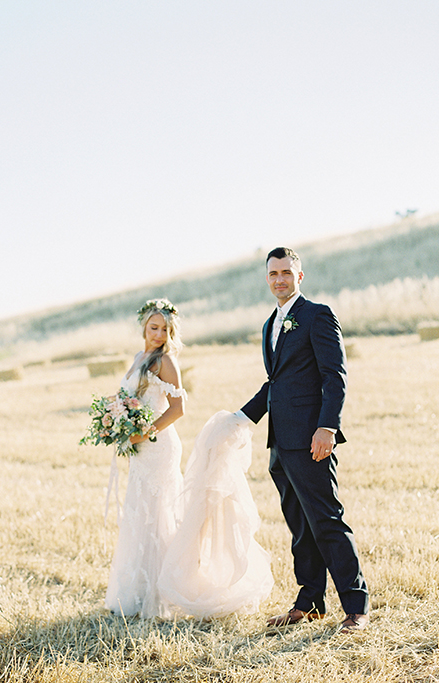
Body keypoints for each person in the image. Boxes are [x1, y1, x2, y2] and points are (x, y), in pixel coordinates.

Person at [105, 298, 273, 619]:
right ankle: (136, 592)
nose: (158, 334)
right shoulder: (139, 357)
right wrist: (117, 421)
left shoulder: (166, 361)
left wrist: (145, 433)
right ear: (143, 326)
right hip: (139, 446)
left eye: (165, 329)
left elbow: (178, 409)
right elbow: (129, 400)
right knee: (139, 511)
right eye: (154, 328)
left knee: (159, 512)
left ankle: (162, 592)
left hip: (158, 445)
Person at [238, 247, 369, 633]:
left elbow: (335, 376)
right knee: (300, 525)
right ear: (267, 279)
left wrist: (327, 427)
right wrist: (240, 419)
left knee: (326, 521)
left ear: (300, 276)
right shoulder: (269, 325)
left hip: (312, 438)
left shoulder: (317, 315)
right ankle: (310, 603)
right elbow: (275, 384)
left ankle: (357, 606)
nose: (280, 279)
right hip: (280, 442)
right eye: (273, 273)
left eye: (286, 272)